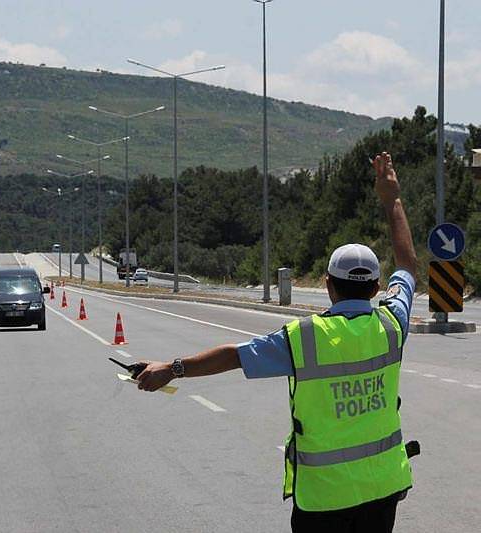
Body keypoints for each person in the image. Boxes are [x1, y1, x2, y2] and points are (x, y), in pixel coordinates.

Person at [135, 152, 417, 533]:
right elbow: (408, 266)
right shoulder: (392, 324)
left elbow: (234, 356)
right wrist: (392, 199)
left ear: (328, 285)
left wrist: (172, 369)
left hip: (324, 498)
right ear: (376, 288)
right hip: (384, 488)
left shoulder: (303, 339)